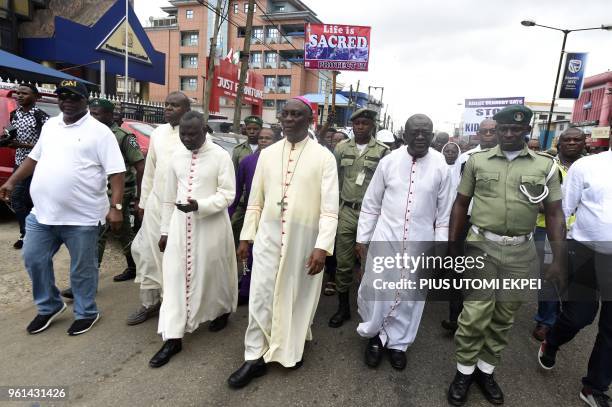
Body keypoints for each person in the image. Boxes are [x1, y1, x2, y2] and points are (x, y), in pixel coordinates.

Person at [446, 105, 565, 406]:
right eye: (504, 129)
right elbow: (461, 204)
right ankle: (464, 371)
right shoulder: (477, 162)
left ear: (528, 130)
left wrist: (559, 258)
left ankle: (486, 371)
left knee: (504, 315)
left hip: (521, 251)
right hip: (481, 247)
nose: (510, 134)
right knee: (474, 314)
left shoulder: (545, 166)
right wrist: (453, 245)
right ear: (496, 131)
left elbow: (554, 213)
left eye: (517, 129)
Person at [227, 97, 339, 388]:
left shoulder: (324, 156)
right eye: (285, 114)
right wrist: (246, 237)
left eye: (296, 115)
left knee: (296, 294)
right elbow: (255, 201)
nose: (288, 119)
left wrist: (322, 246)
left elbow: (330, 209)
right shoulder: (268, 153)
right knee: (261, 293)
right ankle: (254, 356)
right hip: (268, 234)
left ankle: (291, 346)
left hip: (305, 236)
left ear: (309, 119)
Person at [0, 79, 125, 335]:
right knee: (33, 258)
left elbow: (117, 174)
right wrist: (12, 181)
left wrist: (117, 207)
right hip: (43, 213)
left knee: (82, 268)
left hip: (82, 217)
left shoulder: (100, 132)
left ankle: (86, 312)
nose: (66, 101)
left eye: (73, 97)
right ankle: (49, 306)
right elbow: (35, 157)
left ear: (85, 101)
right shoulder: (51, 125)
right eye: (62, 96)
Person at [355, 114, 453, 370]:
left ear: (432, 136)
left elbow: (444, 214)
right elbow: (371, 202)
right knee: (379, 289)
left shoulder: (441, 165)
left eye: (425, 132)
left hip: (421, 240)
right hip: (386, 236)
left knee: (410, 294)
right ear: (405, 134)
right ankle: (375, 336)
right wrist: (362, 238)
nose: (420, 137)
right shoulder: (388, 161)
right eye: (415, 132)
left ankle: (399, 343)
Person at [148, 111, 237, 367]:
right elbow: (168, 196)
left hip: (211, 226)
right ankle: (173, 338)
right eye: (183, 134)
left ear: (205, 130)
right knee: (176, 278)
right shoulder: (176, 156)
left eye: (192, 134)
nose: (187, 138)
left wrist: (202, 205)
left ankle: (221, 310)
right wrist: (164, 230)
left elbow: (228, 194)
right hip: (179, 226)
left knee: (213, 274)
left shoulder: (220, 156)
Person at [538, 135, 612, 407]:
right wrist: (556, 258)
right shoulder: (588, 166)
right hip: (584, 254)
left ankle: (594, 388)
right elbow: (560, 211)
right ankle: (552, 341)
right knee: (579, 317)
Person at [61, 98, 145, 300]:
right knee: (123, 233)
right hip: (93, 193)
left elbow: (140, 166)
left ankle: (85, 283)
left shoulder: (125, 136)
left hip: (117, 194)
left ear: (110, 114)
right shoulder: (87, 133)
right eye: (91, 112)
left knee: (97, 235)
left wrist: (139, 197)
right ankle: (135, 266)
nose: (93, 117)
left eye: (97, 113)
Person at [129, 91, 191, 326]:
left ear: (186, 109)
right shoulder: (158, 133)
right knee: (147, 253)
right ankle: (149, 303)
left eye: (174, 105)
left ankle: (174, 306)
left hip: (181, 207)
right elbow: (149, 171)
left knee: (176, 258)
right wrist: (143, 202)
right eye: (166, 105)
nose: (168, 108)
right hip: (155, 204)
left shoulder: (194, 134)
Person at [328, 108, 389, 328]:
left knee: (370, 265)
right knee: (343, 263)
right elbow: (333, 180)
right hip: (346, 211)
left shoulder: (383, 152)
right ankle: (343, 308)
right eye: (357, 123)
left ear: (372, 126)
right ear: (352, 126)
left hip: (372, 214)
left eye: (365, 123)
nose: (360, 127)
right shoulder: (341, 148)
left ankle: (369, 311)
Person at [441, 118, 498, 334]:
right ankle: (454, 317)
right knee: (458, 269)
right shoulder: (466, 159)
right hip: (466, 221)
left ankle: (478, 319)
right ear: (478, 134)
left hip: (492, 226)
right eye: (484, 131)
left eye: (493, 131)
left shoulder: (510, 159)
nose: (489, 135)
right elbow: (454, 194)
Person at [531, 128, 585, 342]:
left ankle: (566, 316)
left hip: (580, 232)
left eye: (576, 139)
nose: (571, 143)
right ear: (558, 143)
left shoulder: (591, 167)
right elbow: (534, 198)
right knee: (549, 276)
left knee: (574, 275)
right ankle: (546, 320)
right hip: (547, 229)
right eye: (567, 139)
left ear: (584, 143)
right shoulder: (546, 166)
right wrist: (555, 209)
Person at [229, 127, 277, 305]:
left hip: (272, 215)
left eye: (268, 138)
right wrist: (230, 212)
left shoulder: (279, 163)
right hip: (252, 213)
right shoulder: (247, 161)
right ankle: (246, 289)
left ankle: (265, 289)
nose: (264, 141)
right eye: (262, 138)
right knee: (248, 253)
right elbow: (236, 190)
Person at [6, 83, 49, 249]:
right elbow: (13, 135)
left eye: (24, 93)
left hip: (37, 163)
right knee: (24, 199)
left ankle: (27, 235)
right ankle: (29, 233)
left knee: (19, 198)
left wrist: (21, 145)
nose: (19, 95)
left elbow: (47, 145)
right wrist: (8, 141)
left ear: (36, 97)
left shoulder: (41, 117)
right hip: (19, 162)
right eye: (18, 93)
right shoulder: (14, 114)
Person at [231, 116, 263, 246]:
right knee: (233, 226)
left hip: (259, 198)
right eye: (249, 128)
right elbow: (234, 174)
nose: (252, 131)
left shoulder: (268, 149)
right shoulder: (238, 149)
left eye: (255, 129)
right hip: (242, 200)